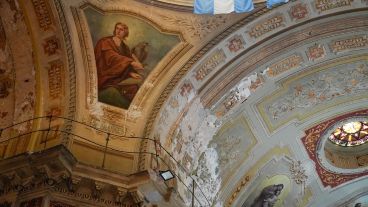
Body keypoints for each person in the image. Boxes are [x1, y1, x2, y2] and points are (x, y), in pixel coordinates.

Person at [94, 22, 144, 109]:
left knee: (134, 87)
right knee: (116, 91)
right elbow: (111, 57)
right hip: (105, 74)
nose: (118, 31)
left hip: (118, 75)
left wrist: (130, 73)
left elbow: (125, 65)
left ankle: (133, 110)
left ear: (125, 33)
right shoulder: (105, 41)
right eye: (117, 28)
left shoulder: (125, 47)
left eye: (121, 29)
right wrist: (130, 62)